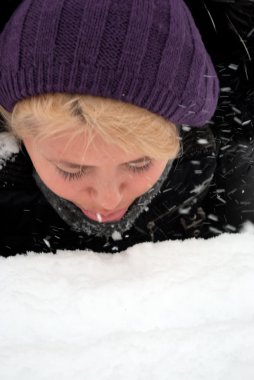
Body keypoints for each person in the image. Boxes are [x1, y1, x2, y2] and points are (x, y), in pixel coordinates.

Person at [0, 0, 253, 256]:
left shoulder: (231, 175)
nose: (107, 200)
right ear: (18, 134)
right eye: (72, 169)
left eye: (139, 164)